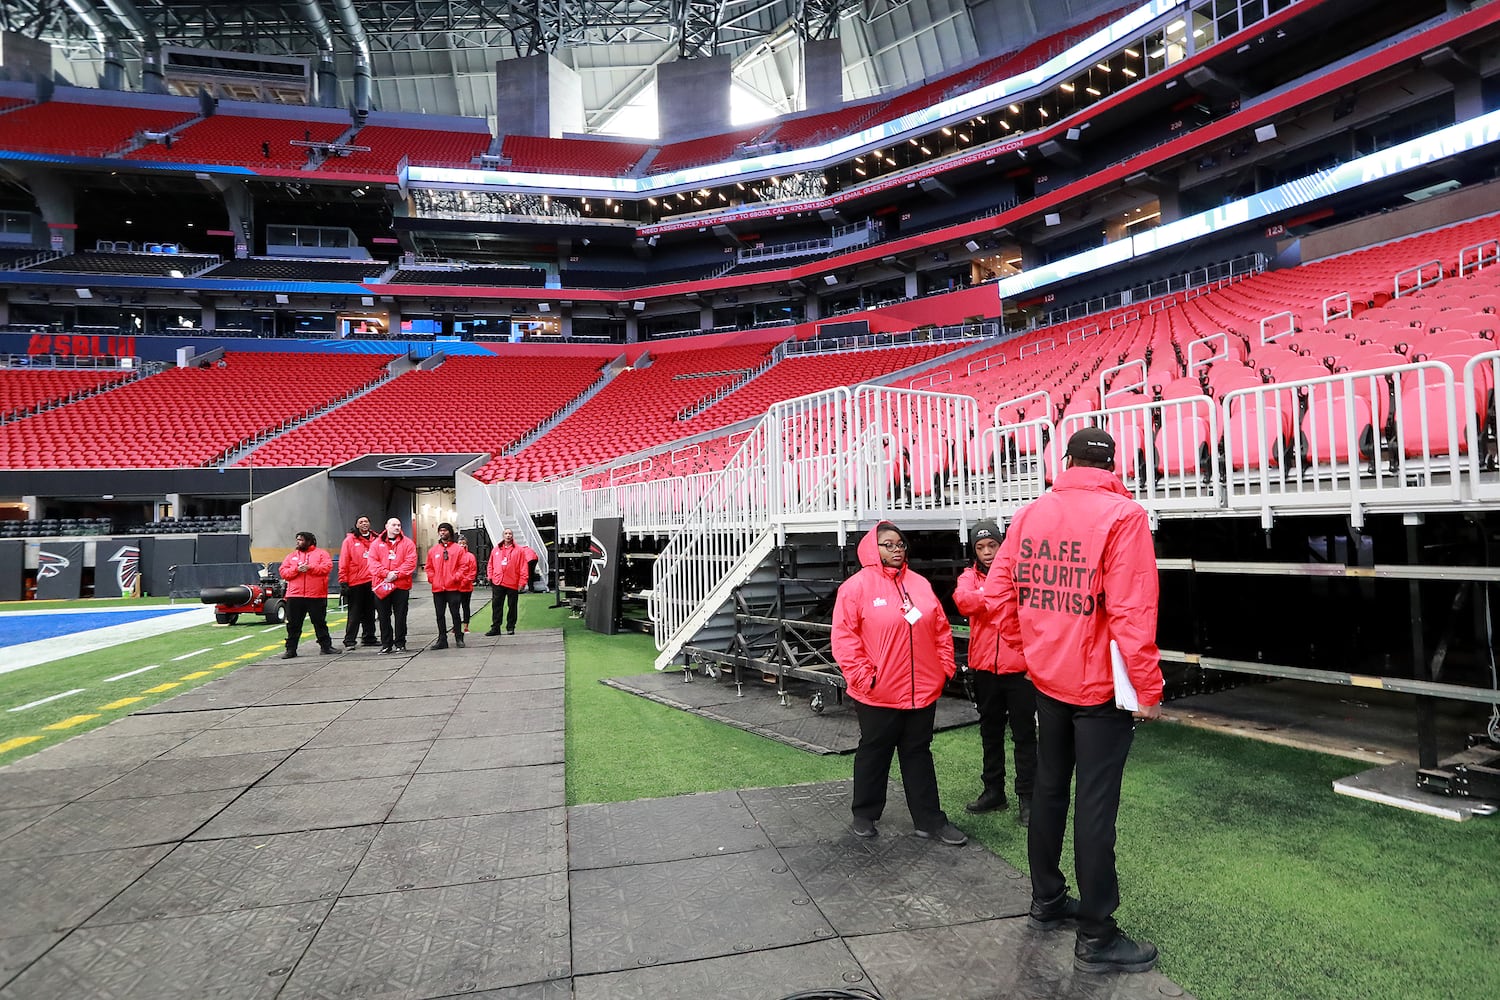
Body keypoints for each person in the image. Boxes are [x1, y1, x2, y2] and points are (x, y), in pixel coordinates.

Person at [992, 427, 1164, 975]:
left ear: (1064, 461)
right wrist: (1148, 688)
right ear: (1114, 465)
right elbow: (1133, 614)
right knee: (1094, 805)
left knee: (1048, 788)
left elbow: (999, 596)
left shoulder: (1030, 513)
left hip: (1048, 679)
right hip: (1099, 688)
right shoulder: (1124, 516)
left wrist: (1030, 649)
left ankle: (1046, 900)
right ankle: (1096, 934)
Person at [831, 521, 966, 847]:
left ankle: (930, 821)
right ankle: (864, 815)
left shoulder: (919, 584)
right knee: (874, 752)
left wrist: (943, 668)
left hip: (922, 692)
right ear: (871, 548)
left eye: (900, 544)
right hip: (878, 693)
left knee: (918, 753)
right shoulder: (855, 588)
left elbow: (940, 629)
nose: (896, 549)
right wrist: (866, 678)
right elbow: (845, 640)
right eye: (888, 544)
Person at [952, 518, 1037, 825]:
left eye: (992, 545)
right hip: (985, 668)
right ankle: (994, 791)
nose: (987, 552)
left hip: (1019, 668)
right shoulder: (968, 576)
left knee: (1025, 734)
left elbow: (1025, 606)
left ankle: (1027, 797)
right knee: (991, 732)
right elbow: (963, 602)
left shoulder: (1020, 572)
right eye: (981, 546)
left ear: (1002, 545)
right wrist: (997, 594)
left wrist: (986, 596)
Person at [278, 530, 334, 659]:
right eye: (297, 540)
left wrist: (310, 568)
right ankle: (291, 649)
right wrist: (296, 569)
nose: (299, 542)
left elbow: (327, 568)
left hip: (316, 595)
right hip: (295, 595)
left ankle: (326, 647)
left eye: (301, 540)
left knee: (319, 622)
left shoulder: (321, 554)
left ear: (309, 541)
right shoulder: (291, 556)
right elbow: (283, 572)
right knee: (293, 624)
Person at [367, 516, 417, 654]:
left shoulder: (408, 543)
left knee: (401, 616)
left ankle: (400, 643)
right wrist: (386, 574)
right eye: (394, 525)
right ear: (387, 526)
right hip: (382, 585)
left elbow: (410, 562)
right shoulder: (376, 544)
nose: (397, 527)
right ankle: (386, 644)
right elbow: (372, 563)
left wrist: (396, 574)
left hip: (401, 585)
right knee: (383, 616)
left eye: (399, 525)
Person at [338, 515, 378, 648]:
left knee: (370, 612)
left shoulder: (376, 539)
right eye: (361, 522)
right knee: (354, 613)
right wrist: (343, 581)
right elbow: (344, 561)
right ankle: (349, 640)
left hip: (372, 581)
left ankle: (369, 637)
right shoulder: (349, 541)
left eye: (366, 521)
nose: (364, 524)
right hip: (355, 582)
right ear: (356, 525)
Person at [425, 522, 466, 650]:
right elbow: (429, 567)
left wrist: (455, 578)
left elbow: (463, 566)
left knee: (455, 613)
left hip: (453, 587)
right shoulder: (433, 550)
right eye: (440, 530)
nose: (442, 533)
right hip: (438, 588)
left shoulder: (458, 549)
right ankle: (442, 639)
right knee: (439, 615)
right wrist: (432, 579)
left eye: (445, 530)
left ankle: (459, 637)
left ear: (450, 532)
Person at [485, 528, 533, 636]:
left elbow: (523, 567)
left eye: (510, 533)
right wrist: (490, 576)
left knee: (512, 606)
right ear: (503, 535)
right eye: (506, 533)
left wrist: (522, 582)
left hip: (513, 582)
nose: (508, 535)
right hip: (498, 582)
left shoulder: (519, 550)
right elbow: (490, 564)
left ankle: (510, 627)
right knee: (496, 606)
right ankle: (495, 627)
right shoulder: (496, 549)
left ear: (513, 536)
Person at [455, 535, 478, 633]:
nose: (462, 545)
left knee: (465, 606)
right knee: (455, 607)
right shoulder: (453, 556)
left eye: (463, 543)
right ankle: (456, 626)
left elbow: (473, 571)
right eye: (460, 543)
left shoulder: (470, 556)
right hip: (455, 586)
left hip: (467, 586)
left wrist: (465, 581)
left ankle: (466, 626)